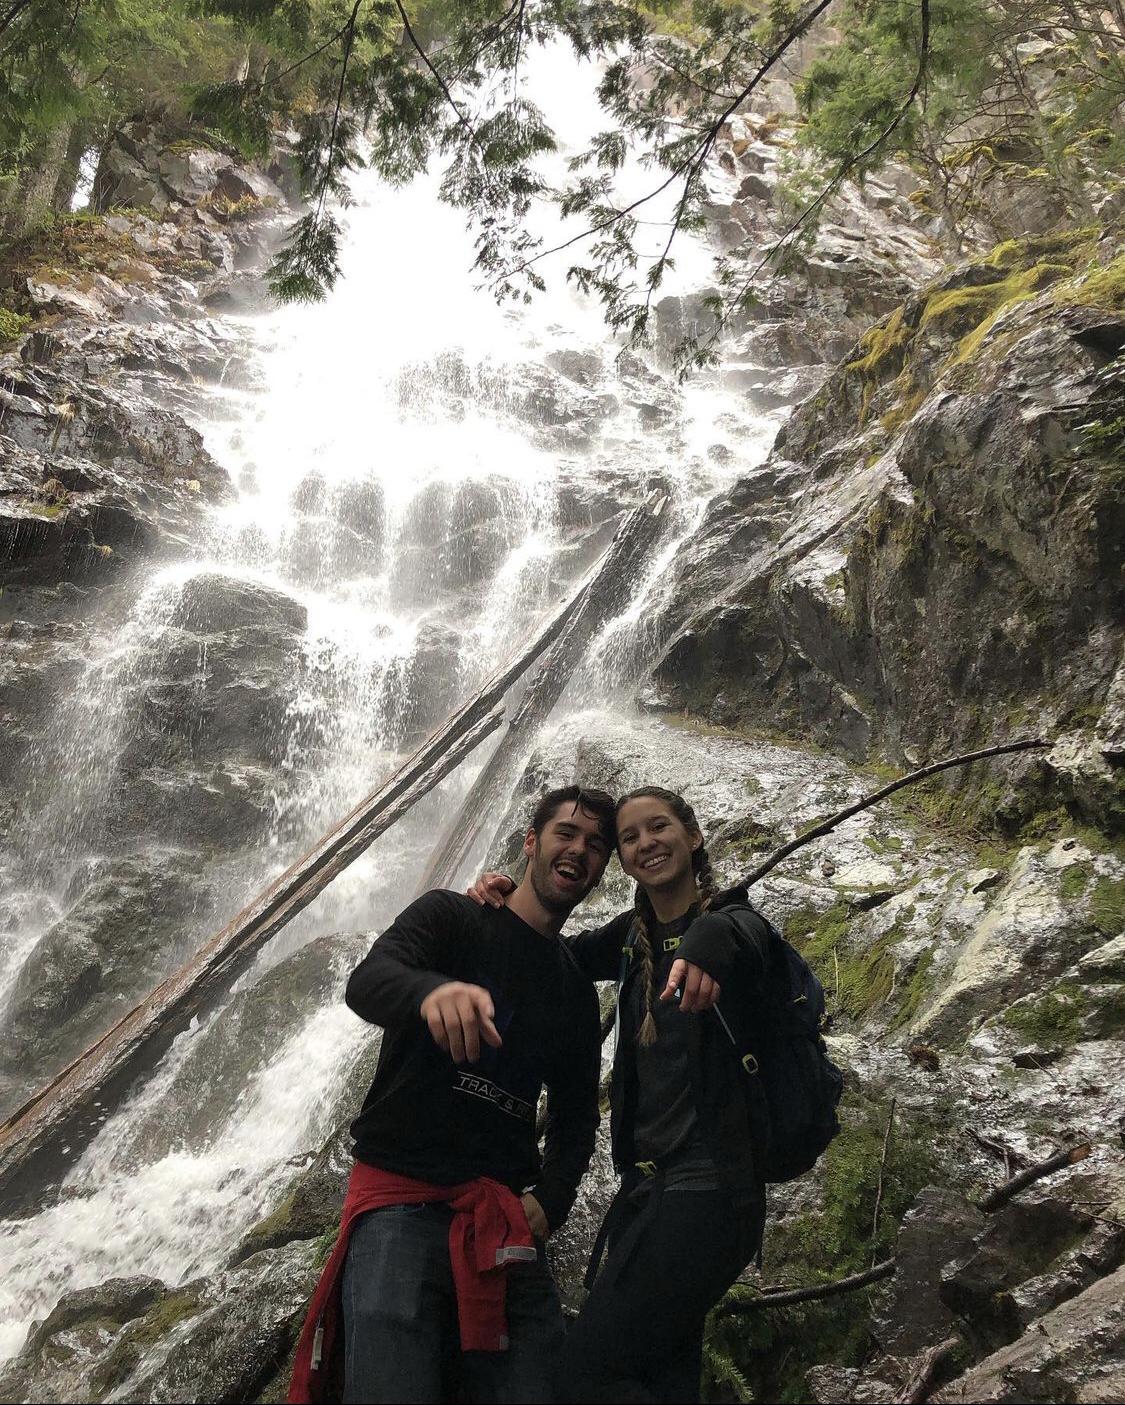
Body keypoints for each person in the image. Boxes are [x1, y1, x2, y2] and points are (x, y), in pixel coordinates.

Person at [288, 785, 616, 1405]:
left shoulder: (575, 991)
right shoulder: (451, 918)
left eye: (597, 845)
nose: (579, 850)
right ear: (530, 842)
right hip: (399, 1205)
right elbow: (367, 981)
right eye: (566, 833)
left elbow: (576, 1118)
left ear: (602, 870)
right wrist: (428, 992)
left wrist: (552, 1199)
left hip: (501, 1219)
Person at [469, 786, 774, 1404]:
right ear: (623, 862)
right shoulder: (633, 938)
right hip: (653, 1192)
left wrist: (714, 935)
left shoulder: (734, 927)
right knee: (660, 1376)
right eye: (630, 837)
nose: (645, 843)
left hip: (708, 1191)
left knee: (585, 1376)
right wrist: (496, 899)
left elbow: (746, 937)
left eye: (658, 827)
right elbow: (551, 947)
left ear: (693, 836)